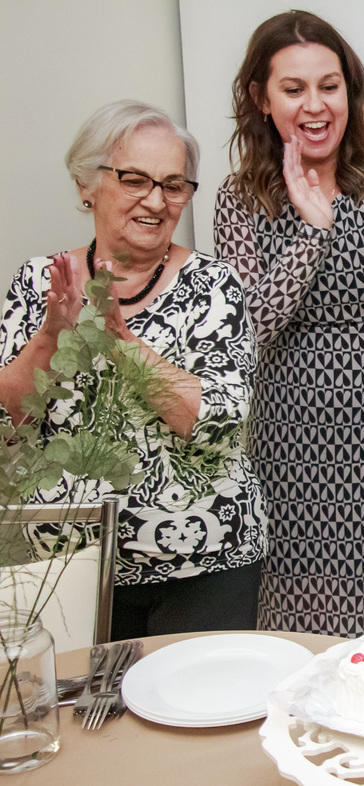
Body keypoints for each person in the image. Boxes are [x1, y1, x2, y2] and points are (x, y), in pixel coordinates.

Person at [214, 10, 364, 637]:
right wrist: (312, 233)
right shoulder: (241, 197)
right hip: (292, 444)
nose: (315, 106)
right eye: (293, 89)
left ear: (351, 90)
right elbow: (245, 333)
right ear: (261, 98)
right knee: (305, 636)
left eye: (329, 86)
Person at [0, 100, 266, 639]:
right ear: (87, 185)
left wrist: (121, 340)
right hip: (65, 567)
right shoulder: (37, 283)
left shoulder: (213, 286)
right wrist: (52, 337)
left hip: (204, 562)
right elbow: (9, 427)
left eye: (173, 185)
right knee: (80, 697)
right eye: (135, 179)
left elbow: (218, 423)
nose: (156, 201)